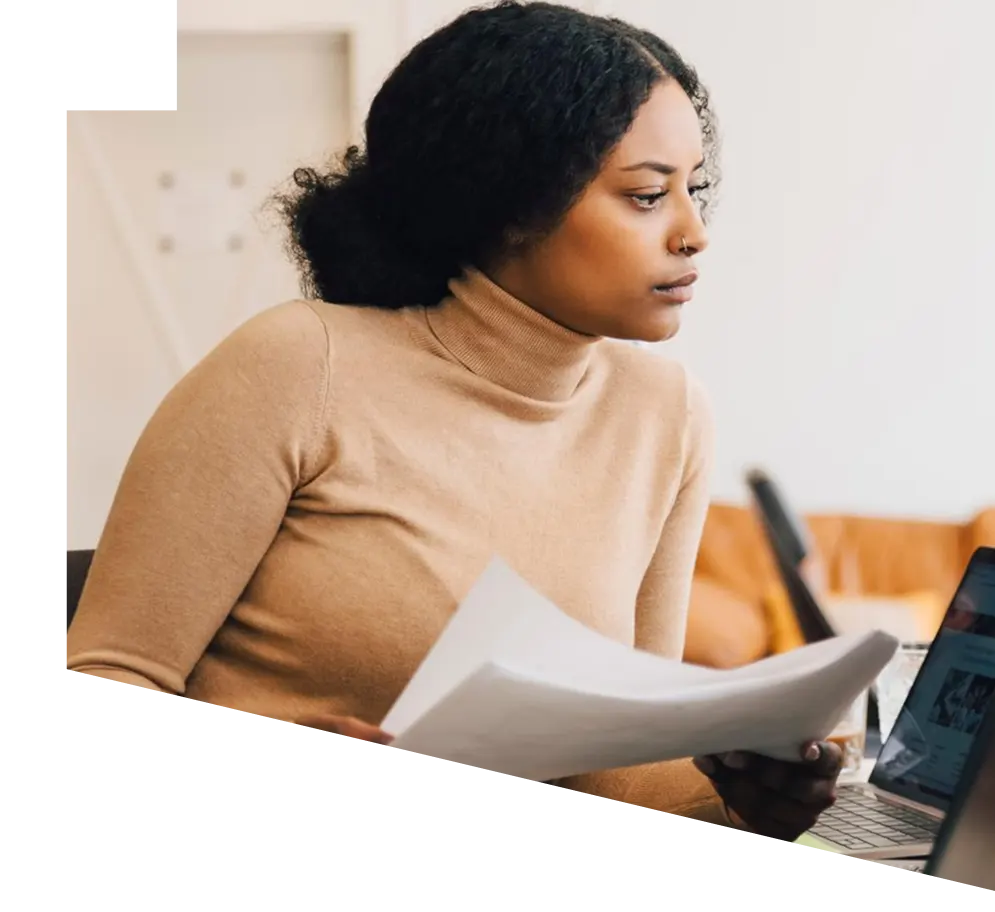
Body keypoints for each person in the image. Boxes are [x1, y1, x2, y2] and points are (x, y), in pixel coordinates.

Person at [64, 0, 841, 843]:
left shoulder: (668, 414)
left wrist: (744, 800)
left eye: (696, 189)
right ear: (510, 202)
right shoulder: (297, 366)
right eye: (648, 195)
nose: (693, 234)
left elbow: (617, 760)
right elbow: (114, 670)